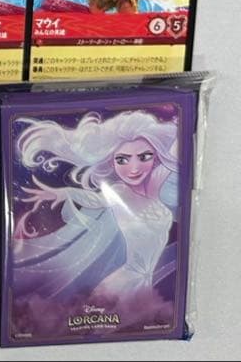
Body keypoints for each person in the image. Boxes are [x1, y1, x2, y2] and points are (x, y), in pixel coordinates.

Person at [13, 109, 180, 301]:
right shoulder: (120, 191)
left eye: (144, 157)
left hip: (144, 280)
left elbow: (176, 149)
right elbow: (94, 199)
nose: (134, 168)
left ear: (156, 157)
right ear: (111, 162)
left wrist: (181, 117)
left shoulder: (155, 186)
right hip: (125, 283)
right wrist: (64, 193)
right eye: (122, 160)